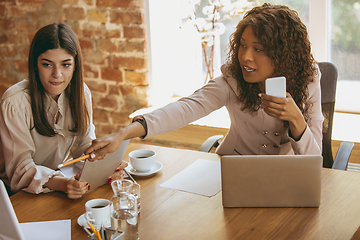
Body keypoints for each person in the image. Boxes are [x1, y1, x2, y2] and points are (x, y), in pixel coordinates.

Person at [85, 3, 323, 161]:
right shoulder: (233, 80)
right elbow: (186, 107)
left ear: (283, 54)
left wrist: (296, 119)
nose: (245, 57)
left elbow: (315, 159)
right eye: (242, 45)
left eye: (258, 49)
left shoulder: (308, 80)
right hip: (231, 169)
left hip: (284, 176)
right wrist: (122, 134)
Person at [0, 23, 126, 199]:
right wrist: (63, 184)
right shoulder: (14, 102)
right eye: (47, 64)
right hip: (16, 195)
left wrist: (103, 165)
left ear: (75, 65)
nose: (57, 74)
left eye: (66, 65)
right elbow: (20, 170)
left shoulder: (81, 92)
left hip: (57, 186)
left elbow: (84, 145)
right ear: (35, 64)